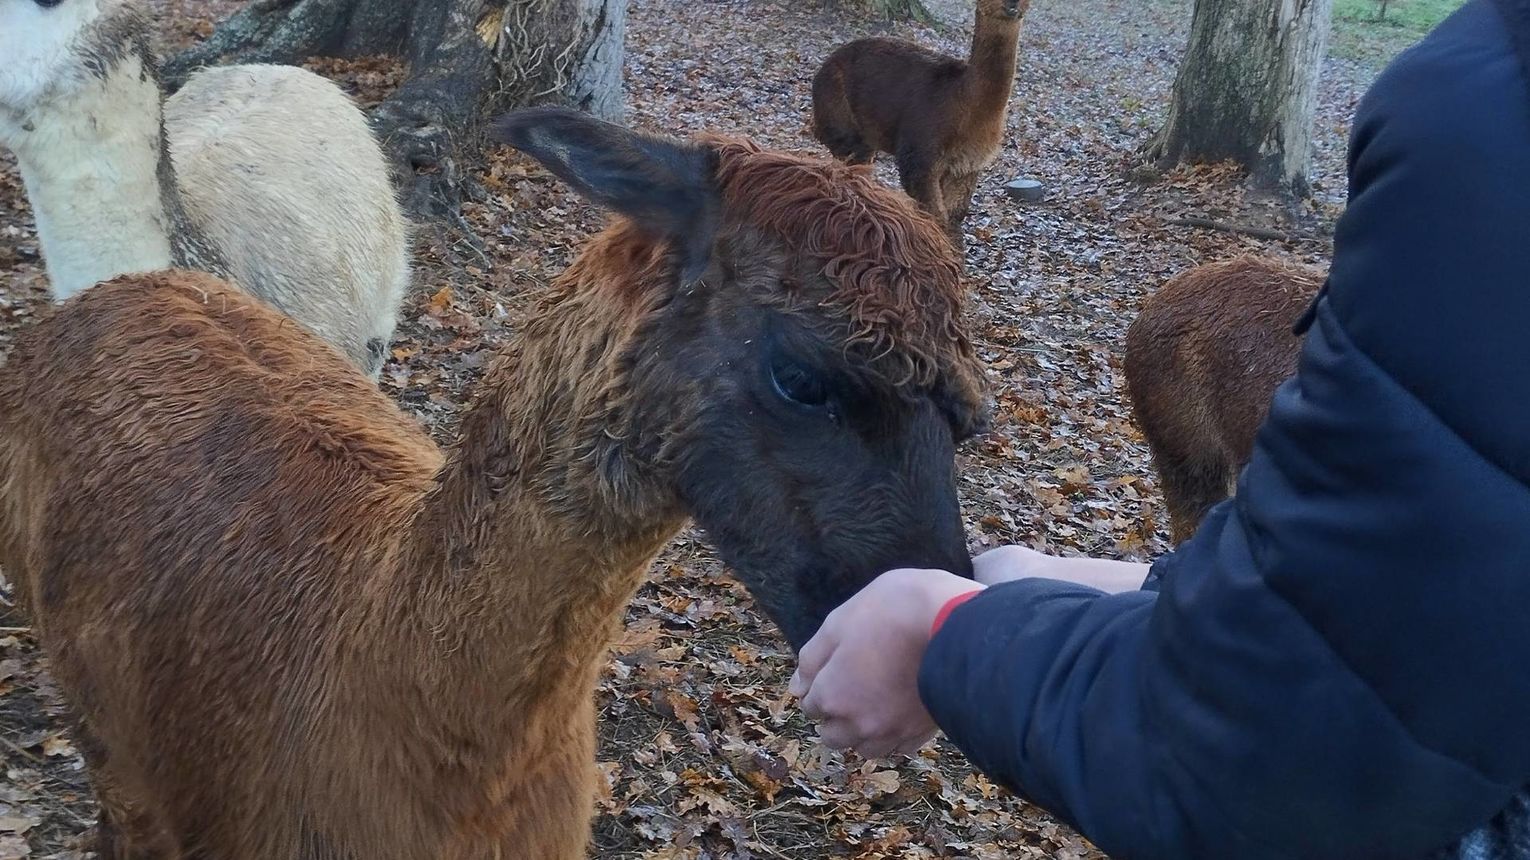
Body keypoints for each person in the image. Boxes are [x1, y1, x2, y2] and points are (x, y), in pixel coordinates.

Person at [789, 1, 1530, 857]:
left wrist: (948, 631)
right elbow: (1411, 616)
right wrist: (1139, 586)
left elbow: (1276, 739)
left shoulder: (1479, 110)